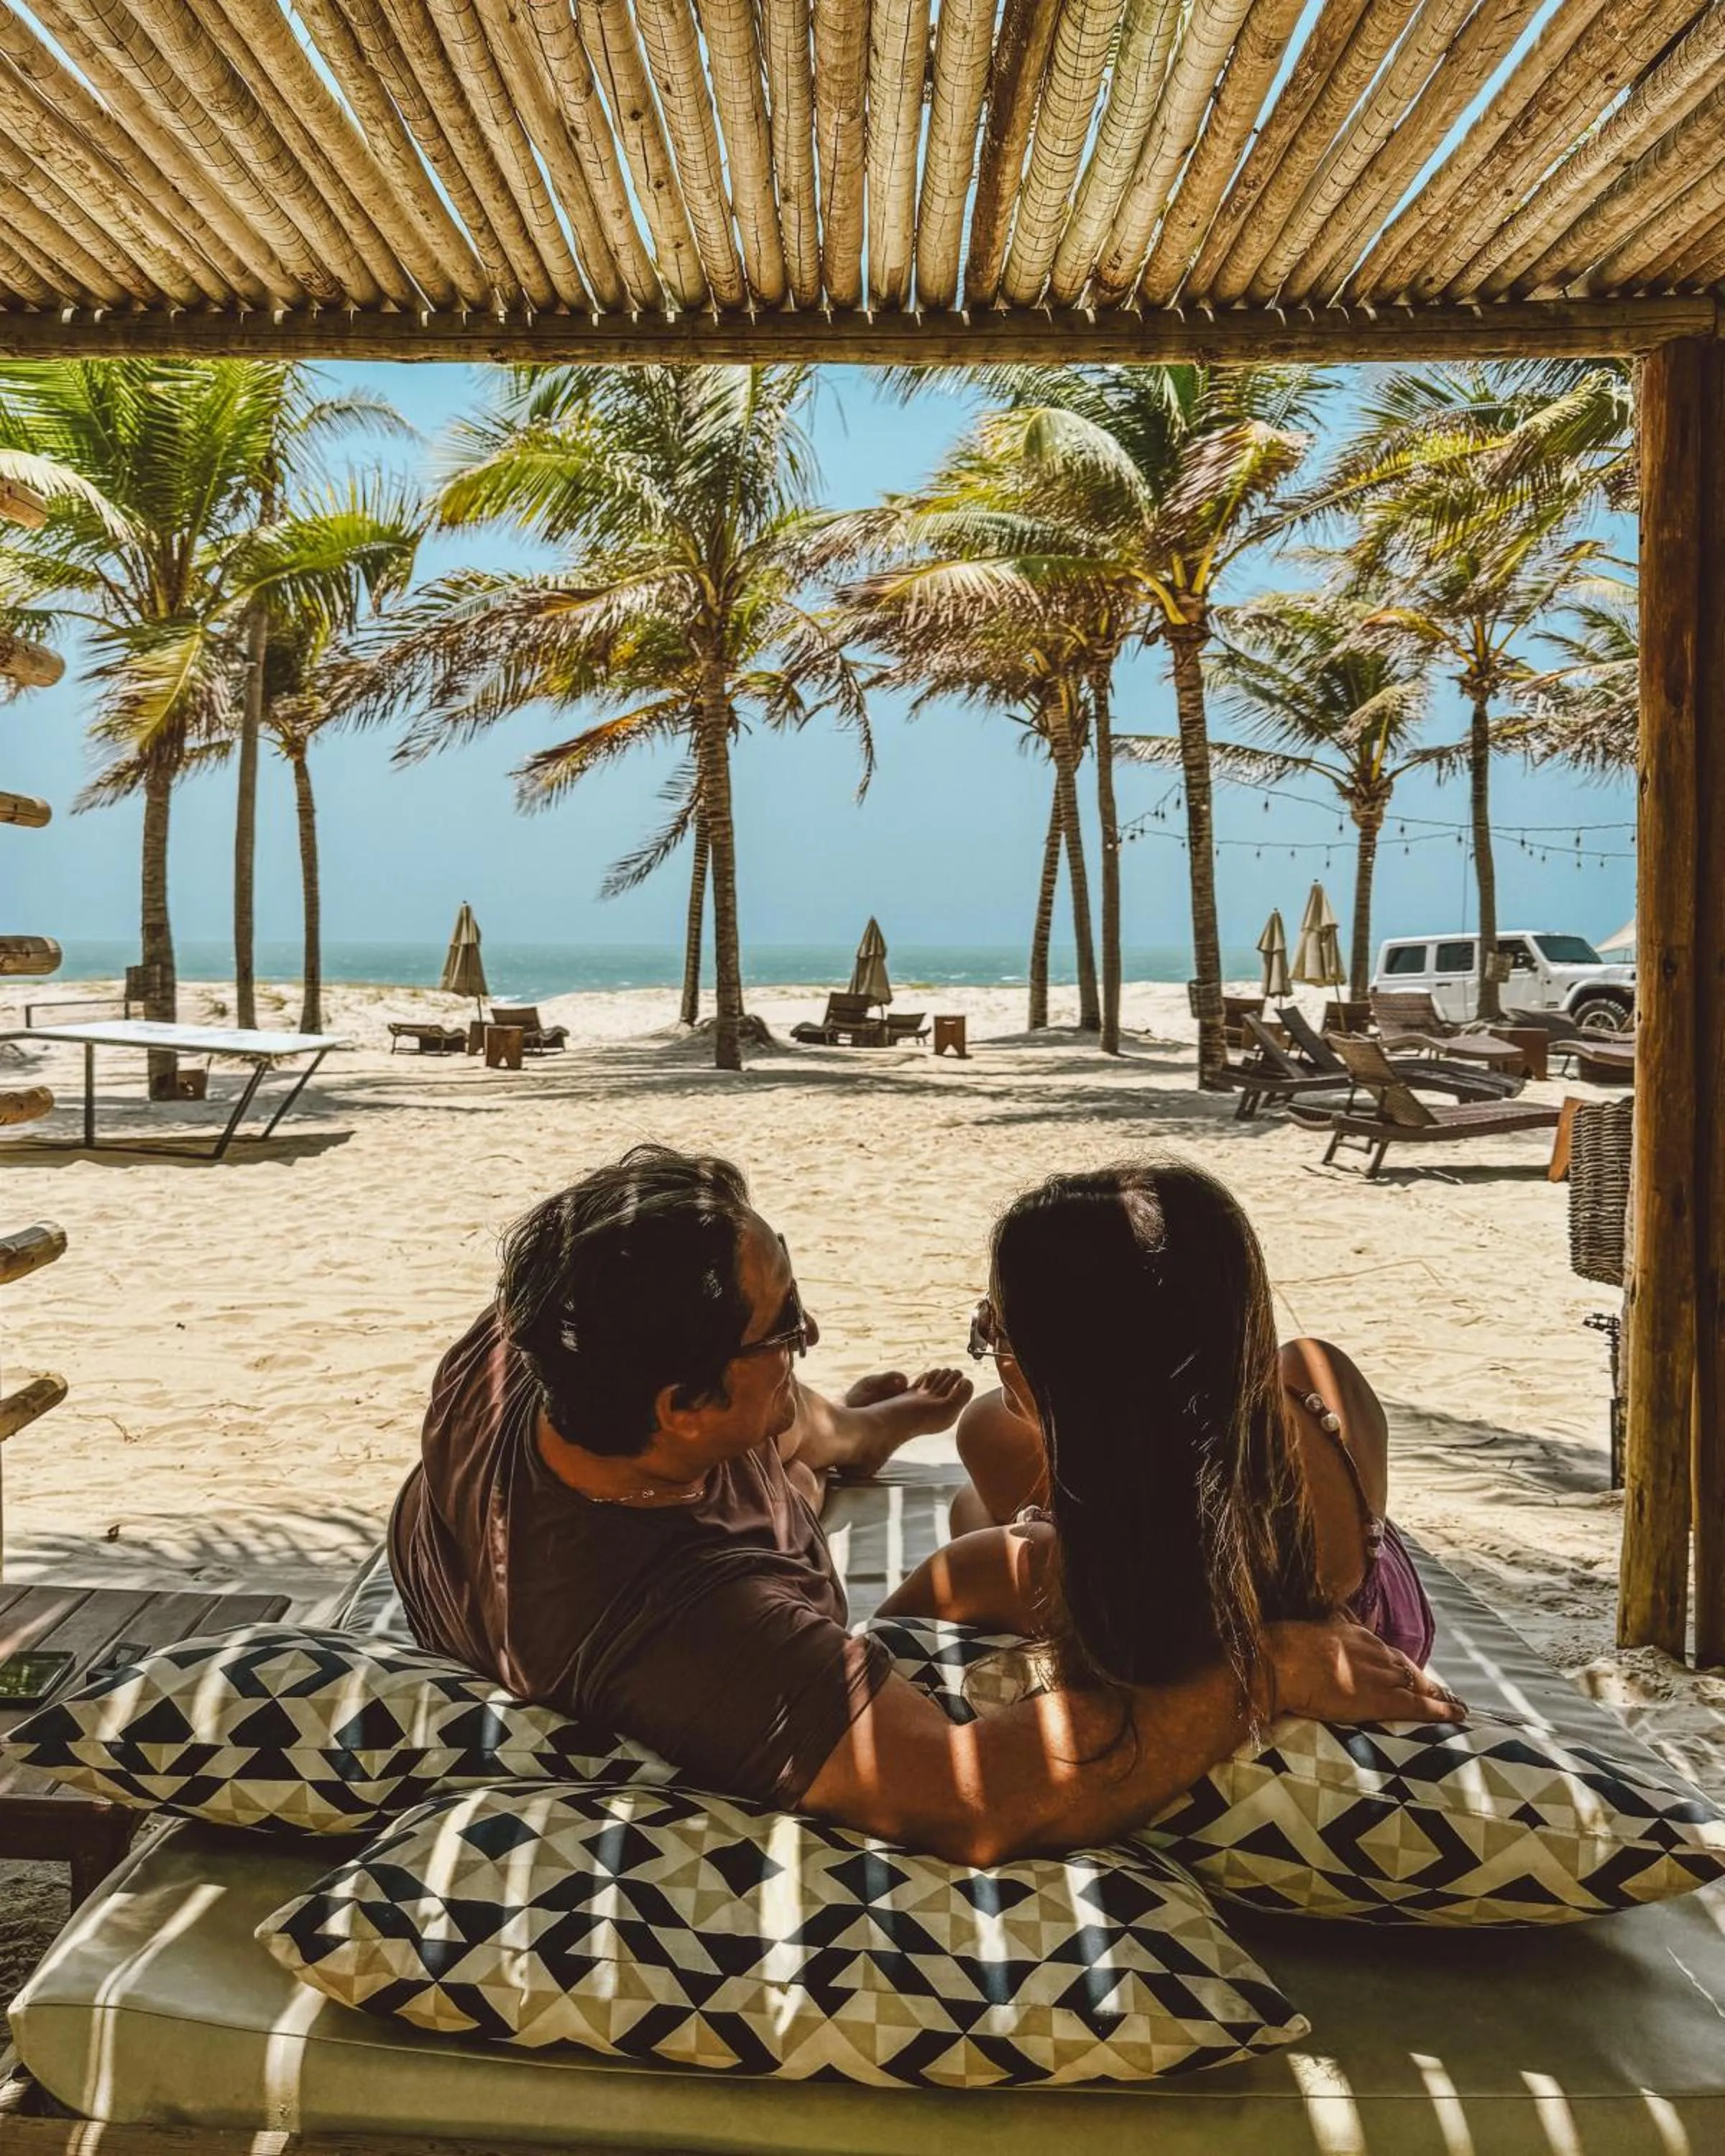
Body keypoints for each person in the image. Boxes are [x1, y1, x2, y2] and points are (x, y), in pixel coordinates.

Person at [391, 1145, 1463, 1869]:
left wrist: (850, 1428)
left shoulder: (530, 1342)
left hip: (690, 1477)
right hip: (686, 1574)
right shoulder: (690, 1622)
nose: (809, 1331)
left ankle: (861, 1433)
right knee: (940, 1470)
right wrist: (1261, 1669)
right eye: (790, 1329)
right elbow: (974, 1798)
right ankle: (850, 1440)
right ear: (684, 1405)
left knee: (840, 1447)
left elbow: (752, 1412)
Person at [946, 1158, 1435, 1707]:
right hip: (1374, 1641)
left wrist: (1002, 1542)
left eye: (995, 1326)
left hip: (1141, 1637)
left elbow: (899, 1637)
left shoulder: (1065, 1567)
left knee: (983, 1454)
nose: (990, 1346)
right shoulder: (1321, 1384)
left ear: (1062, 1371)